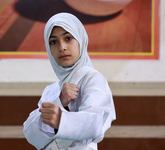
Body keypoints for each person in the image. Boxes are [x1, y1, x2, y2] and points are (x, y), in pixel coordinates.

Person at [23, 12, 116, 150]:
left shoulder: (93, 79)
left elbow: (96, 125)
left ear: (81, 39)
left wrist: (60, 120)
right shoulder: (52, 90)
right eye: (53, 42)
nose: (62, 47)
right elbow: (31, 135)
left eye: (68, 38)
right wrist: (59, 101)